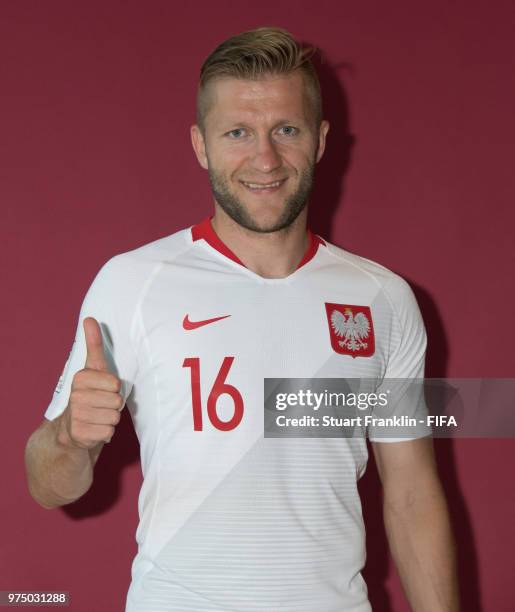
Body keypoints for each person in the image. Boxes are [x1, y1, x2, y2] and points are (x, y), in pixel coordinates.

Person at [24, 26, 459, 612]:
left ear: (321, 140)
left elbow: (410, 493)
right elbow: (48, 485)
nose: (265, 158)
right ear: (201, 145)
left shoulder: (385, 298)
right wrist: (70, 436)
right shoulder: (133, 283)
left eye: (286, 129)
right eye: (237, 133)